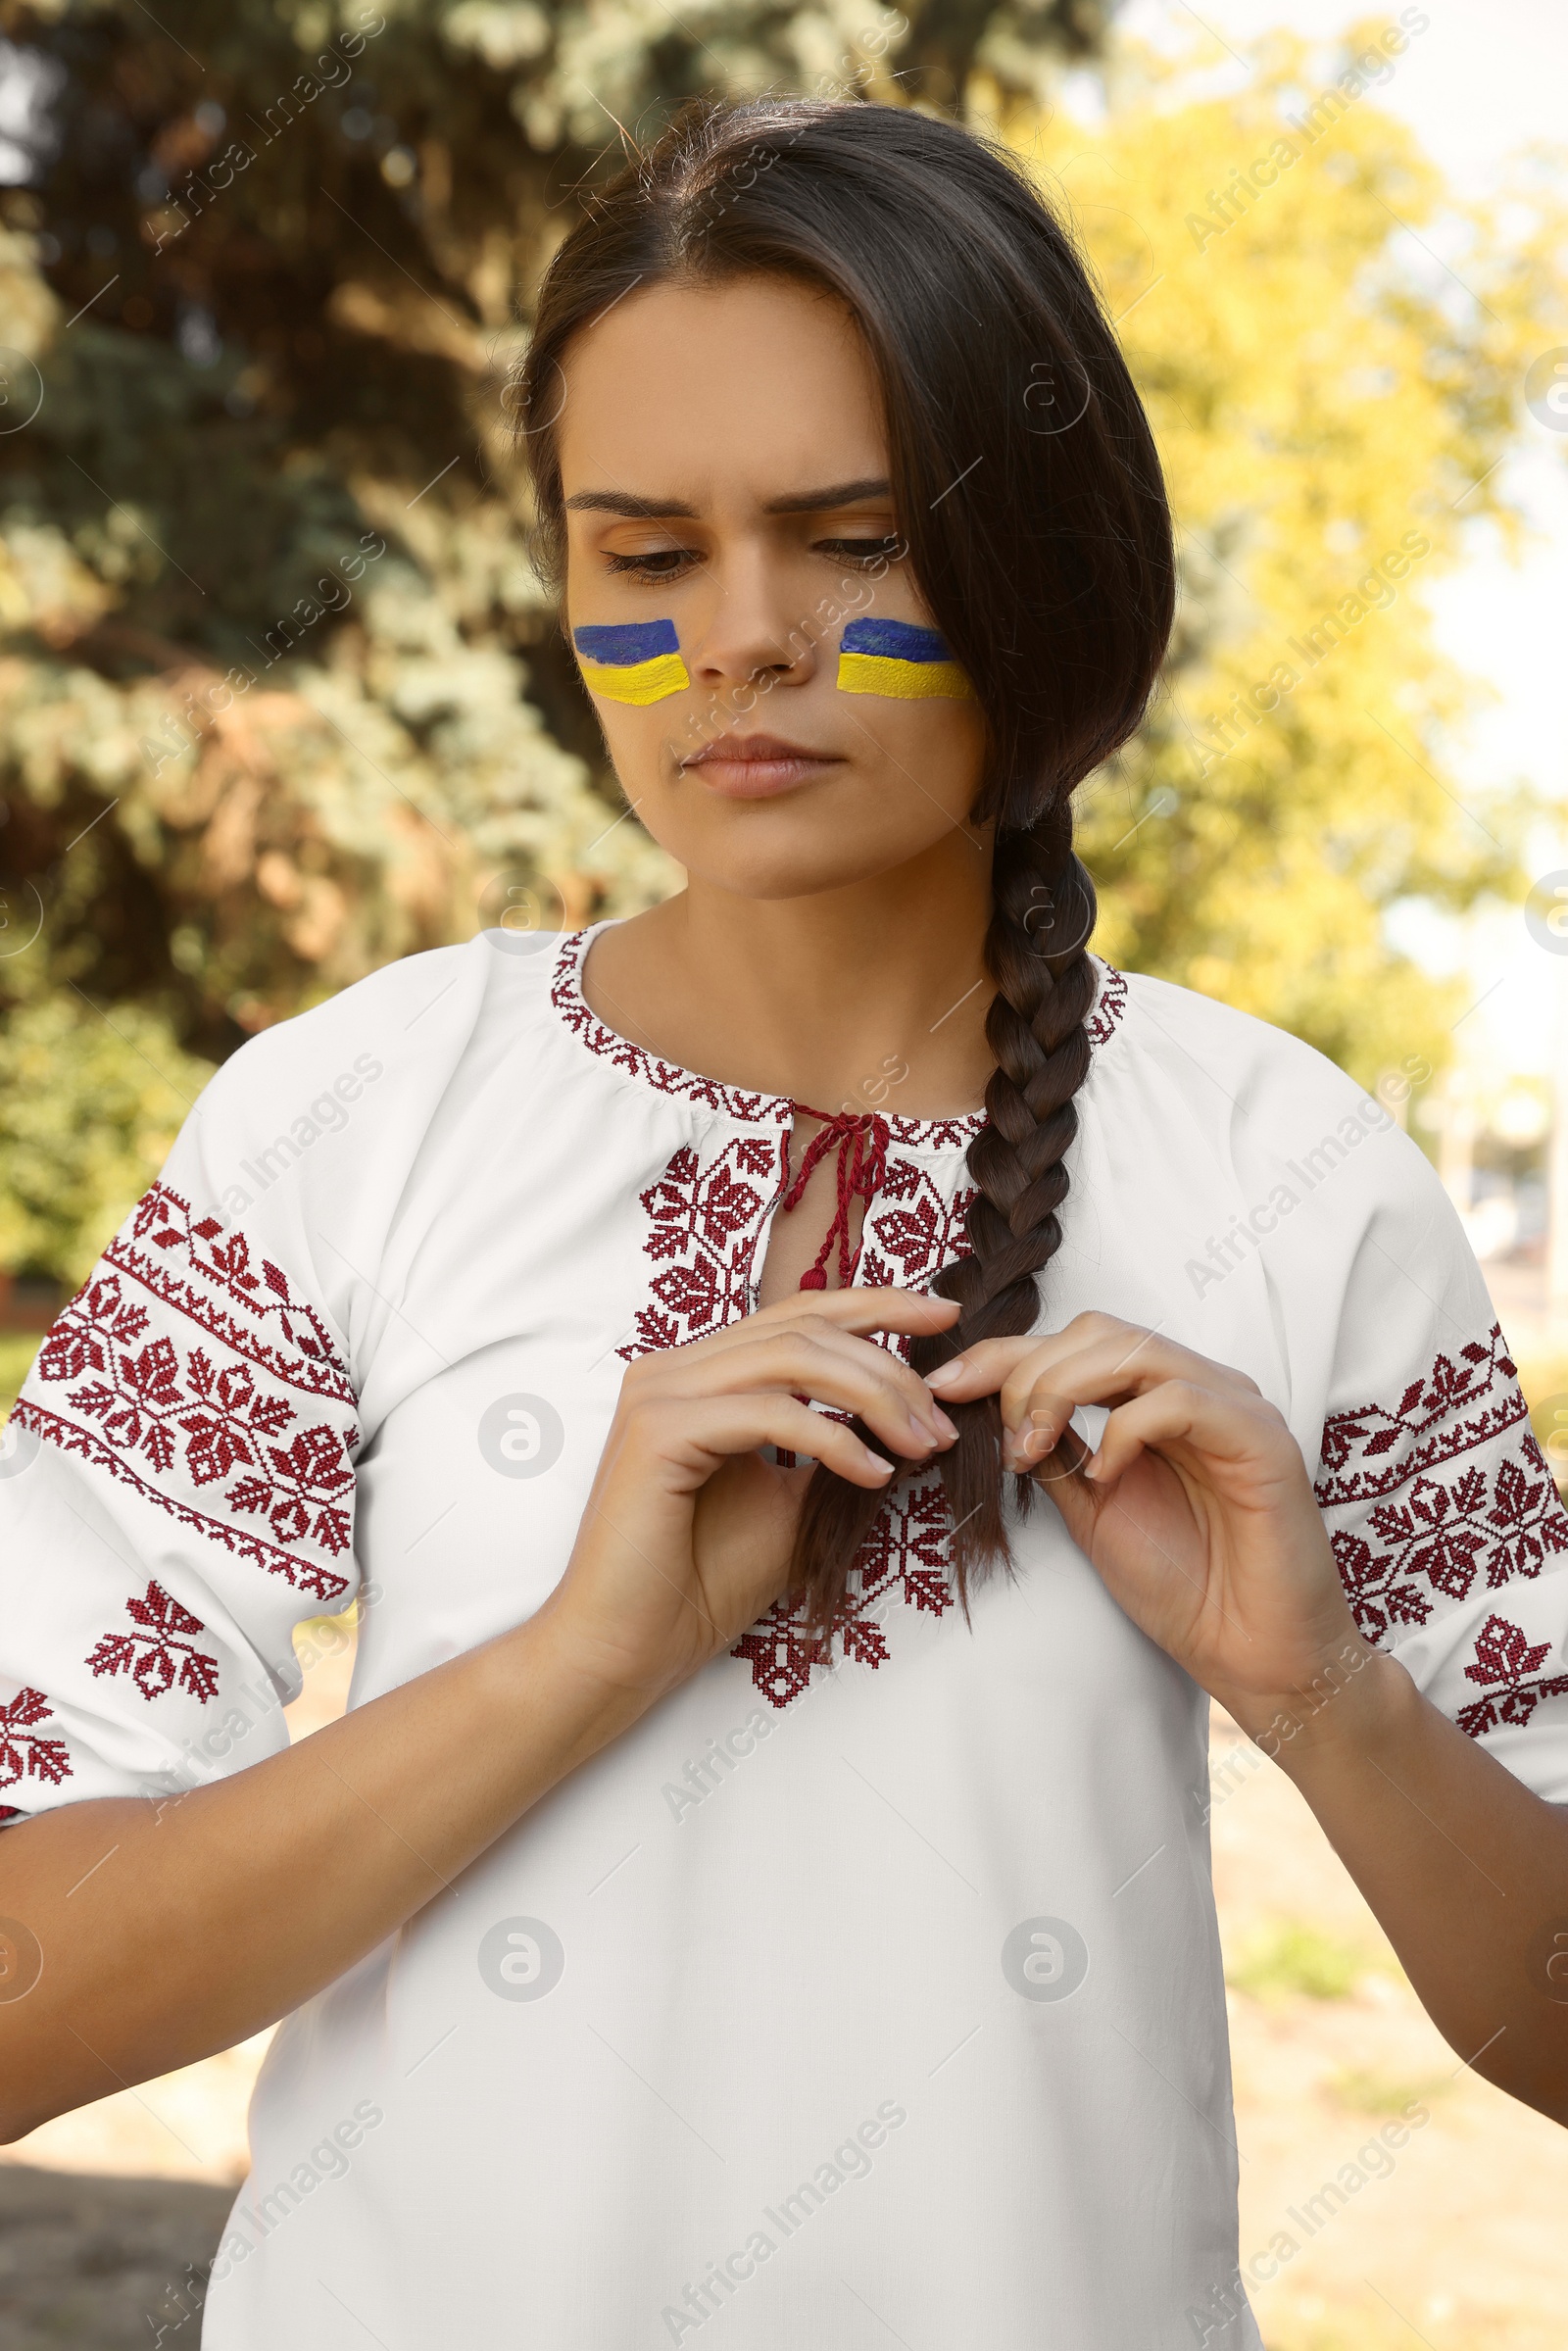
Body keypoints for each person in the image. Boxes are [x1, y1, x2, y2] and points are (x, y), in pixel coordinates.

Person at [1, 96, 1565, 2351]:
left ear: (1036, 564)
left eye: (847, 539)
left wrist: (1318, 1692)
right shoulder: (349, 1117)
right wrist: (573, 1660)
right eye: (641, 552)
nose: (738, 638)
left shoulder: (1281, 1161)